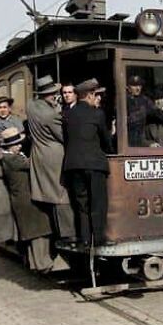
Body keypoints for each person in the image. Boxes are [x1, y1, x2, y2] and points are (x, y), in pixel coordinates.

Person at [63, 78, 113, 248]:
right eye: (96, 95)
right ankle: (98, 239)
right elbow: (106, 141)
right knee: (97, 203)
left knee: (81, 204)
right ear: (90, 95)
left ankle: (85, 239)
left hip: (74, 165)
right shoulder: (97, 114)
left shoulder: (68, 114)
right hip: (94, 164)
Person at [26, 75, 76, 241]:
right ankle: (68, 233)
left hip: (38, 154)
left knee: (48, 194)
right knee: (61, 195)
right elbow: (65, 136)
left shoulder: (31, 107)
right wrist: (58, 109)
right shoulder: (50, 115)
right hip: (54, 156)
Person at [0, 127, 55, 272]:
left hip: (23, 199)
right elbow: (33, 164)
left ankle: (35, 263)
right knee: (38, 231)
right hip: (26, 199)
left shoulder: (11, 157)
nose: (19, 145)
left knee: (34, 231)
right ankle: (42, 263)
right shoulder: (12, 159)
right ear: (8, 146)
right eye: (16, 144)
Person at [126, 75, 155, 147]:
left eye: (139, 85)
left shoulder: (145, 100)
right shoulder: (124, 101)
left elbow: (154, 113)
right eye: (134, 86)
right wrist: (140, 114)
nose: (138, 88)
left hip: (143, 135)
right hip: (129, 137)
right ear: (128, 87)